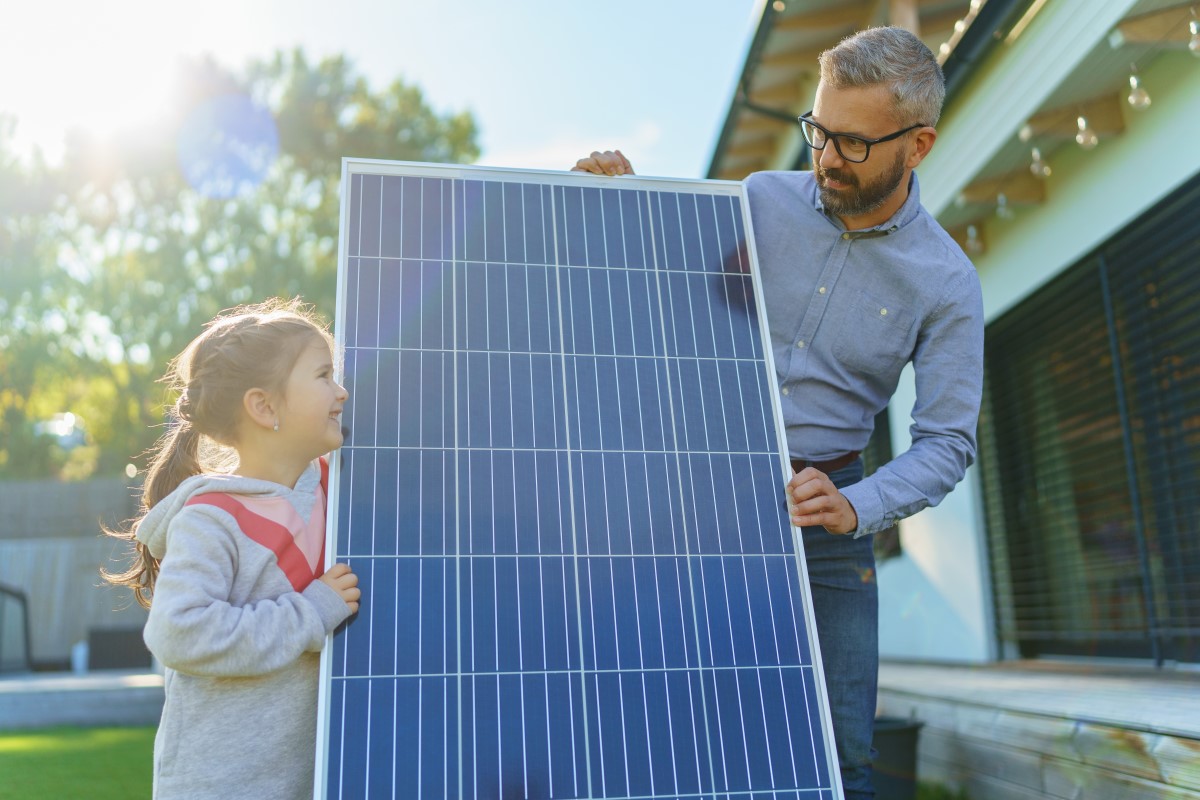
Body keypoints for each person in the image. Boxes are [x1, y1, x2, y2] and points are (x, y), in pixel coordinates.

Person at [572, 26, 984, 799]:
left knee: (841, 758)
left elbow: (947, 443)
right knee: (660, 727)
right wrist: (598, 209)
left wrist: (854, 506)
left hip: (824, 518)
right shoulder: (758, 201)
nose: (826, 157)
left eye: (854, 144)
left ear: (917, 145)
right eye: (820, 131)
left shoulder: (948, 284)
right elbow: (649, 303)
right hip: (689, 500)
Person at [104, 298, 361, 800]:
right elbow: (178, 631)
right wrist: (310, 613)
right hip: (223, 783)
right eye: (324, 375)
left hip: (308, 778)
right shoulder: (213, 518)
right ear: (264, 406)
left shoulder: (339, 490)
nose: (343, 391)